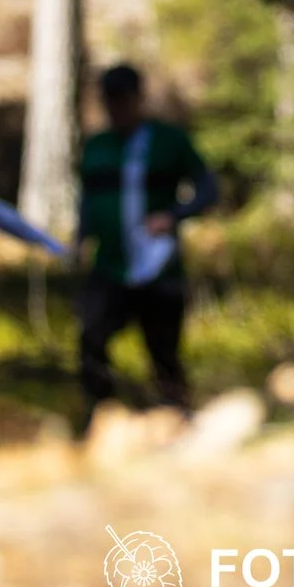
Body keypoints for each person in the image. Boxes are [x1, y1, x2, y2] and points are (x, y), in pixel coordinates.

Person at [74, 64, 218, 414]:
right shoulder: (97, 147)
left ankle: (176, 418)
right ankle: (102, 417)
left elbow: (208, 188)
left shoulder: (169, 141)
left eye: (123, 100)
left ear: (139, 98)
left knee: (164, 352)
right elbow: (88, 202)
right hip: (109, 266)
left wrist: (175, 215)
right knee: (91, 339)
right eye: (109, 101)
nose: (117, 108)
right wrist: (79, 239)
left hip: (159, 267)